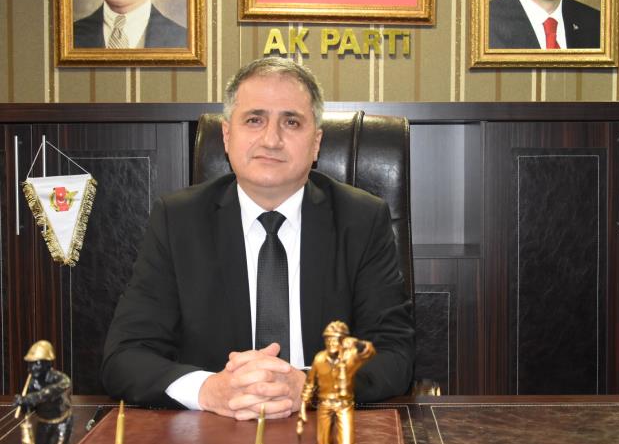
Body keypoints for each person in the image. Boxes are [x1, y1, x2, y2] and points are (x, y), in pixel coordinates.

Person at [101, 57, 414, 420]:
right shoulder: (178, 221)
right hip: (212, 429)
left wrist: (312, 385)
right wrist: (209, 390)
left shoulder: (361, 220)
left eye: (291, 122)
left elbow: (394, 354)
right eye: (254, 119)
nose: (271, 139)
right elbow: (125, 356)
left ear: (316, 143)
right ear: (227, 135)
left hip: (322, 425)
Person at [297, 321, 375, 444]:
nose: (331, 343)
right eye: (328, 339)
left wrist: (356, 343)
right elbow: (309, 384)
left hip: (344, 405)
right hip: (324, 405)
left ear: (342, 340)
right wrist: (303, 407)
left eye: (336, 339)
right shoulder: (319, 359)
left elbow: (369, 351)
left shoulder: (351, 356)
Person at [13, 340, 73, 444]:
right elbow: (32, 406)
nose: (31, 368)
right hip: (44, 423)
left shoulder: (61, 380)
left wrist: (31, 398)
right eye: (30, 364)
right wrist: (23, 405)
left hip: (62, 423)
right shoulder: (33, 383)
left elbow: (47, 394)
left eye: (36, 364)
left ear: (47, 363)